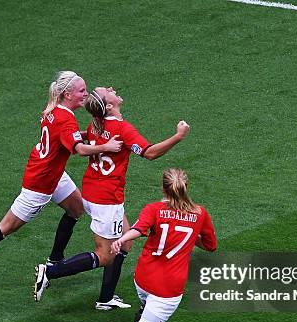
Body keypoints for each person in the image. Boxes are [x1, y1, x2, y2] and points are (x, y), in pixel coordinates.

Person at [0, 72, 122, 287]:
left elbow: (66, 137)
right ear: (67, 94)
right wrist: (105, 146)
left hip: (52, 173)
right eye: (81, 91)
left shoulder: (55, 110)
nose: (86, 94)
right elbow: (79, 149)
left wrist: (90, 134)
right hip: (40, 183)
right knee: (6, 227)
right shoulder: (66, 119)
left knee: (76, 209)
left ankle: (55, 260)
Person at [33, 87, 190, 306]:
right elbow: (150, 153)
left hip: (91, 192)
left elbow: (86, 137)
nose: (111, 89)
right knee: (106, 254)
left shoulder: (96, 124)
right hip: (107, 200)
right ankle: (51, 272)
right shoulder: (121, 129)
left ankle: (106, 298)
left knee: (125, 243)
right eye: (107, 91)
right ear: (108, 105)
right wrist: (178, 136)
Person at [99, 168, 217, 322]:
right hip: (169, 288)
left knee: (145, 306)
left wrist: (121, 240)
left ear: (163, 189)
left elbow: (138, 229)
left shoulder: (154, 209)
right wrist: (190, 237)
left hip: (143, 278)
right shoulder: (200, 214)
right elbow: (211, 246)